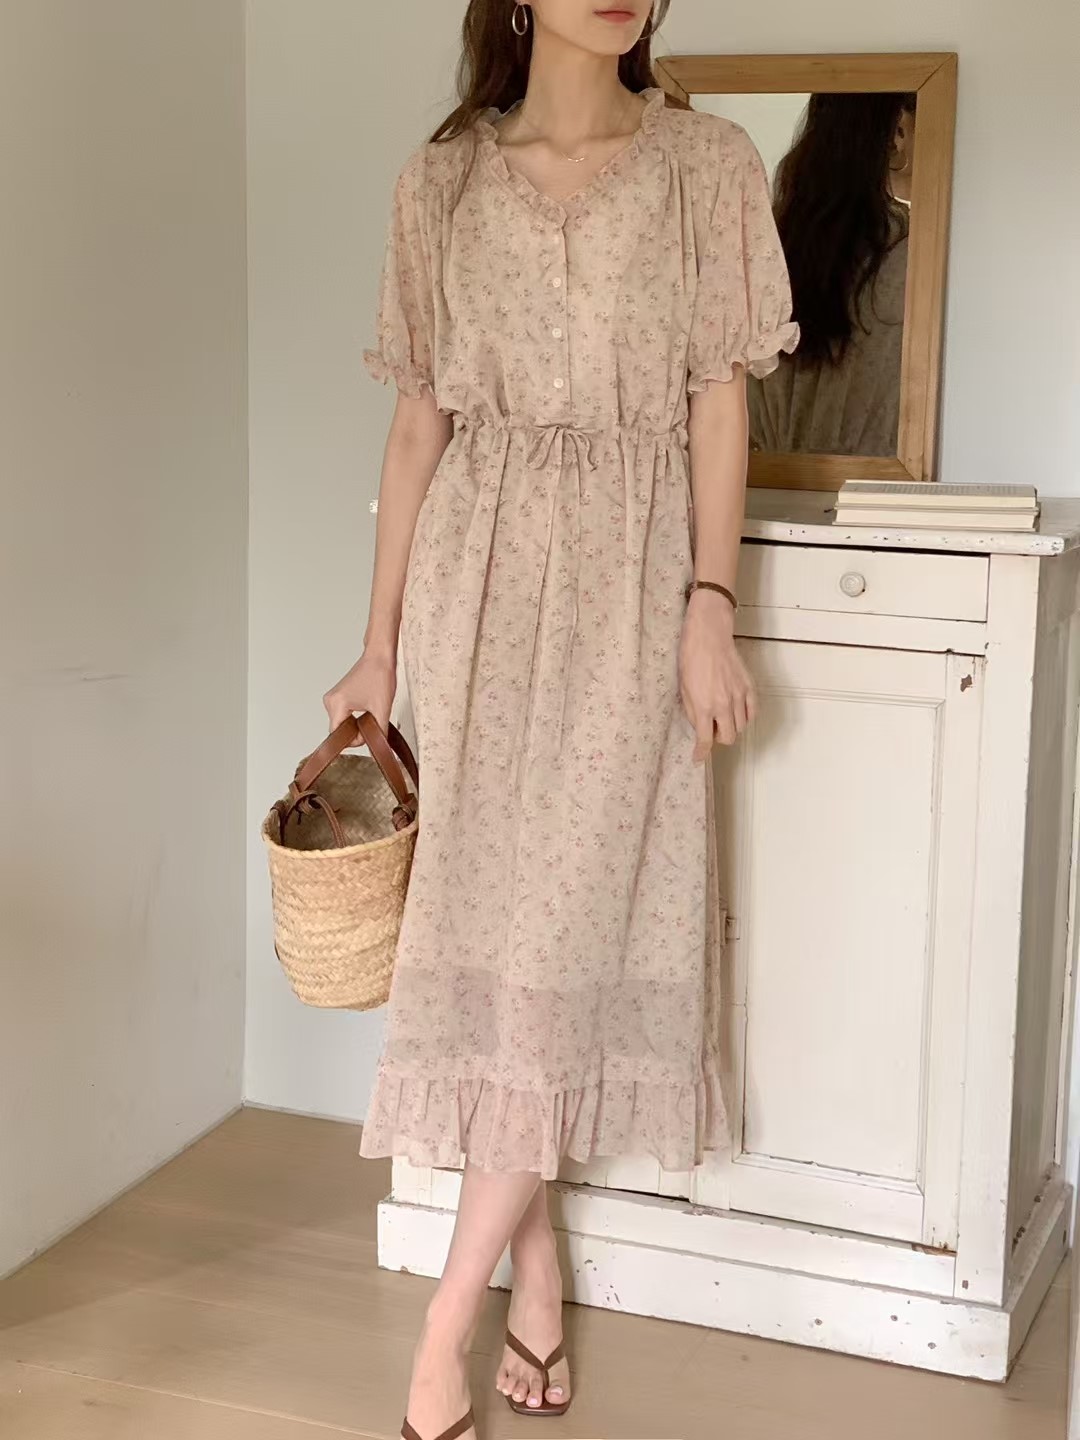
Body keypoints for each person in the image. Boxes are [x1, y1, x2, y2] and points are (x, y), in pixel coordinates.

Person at [323, 4, 796, 1437]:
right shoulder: (441, 183)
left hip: (632, 593)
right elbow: (419, 428)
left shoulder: (708, 166)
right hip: (475, 588)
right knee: (495, 944)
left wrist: (710, 600)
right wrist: (378, 647)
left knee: (571, 941)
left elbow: (720, 404)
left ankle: (443, 1327)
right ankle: (536, 1267)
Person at [748, 91, 915, 457]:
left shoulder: (771, 240)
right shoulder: (913, 253)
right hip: (884, 485)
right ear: (899, 130)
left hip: (765, 480)